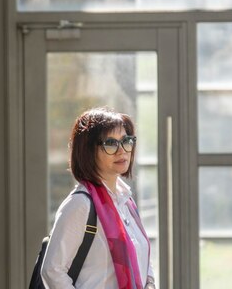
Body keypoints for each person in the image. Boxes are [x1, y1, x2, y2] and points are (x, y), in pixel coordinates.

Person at [41, 107, 155, 289]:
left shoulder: (126, 202)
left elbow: (142, 258)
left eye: (126, 141)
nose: (122, 151)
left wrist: (150, 283)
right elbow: (52, 270)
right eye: (110, 143)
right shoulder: (81, 204)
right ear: (88, 151)